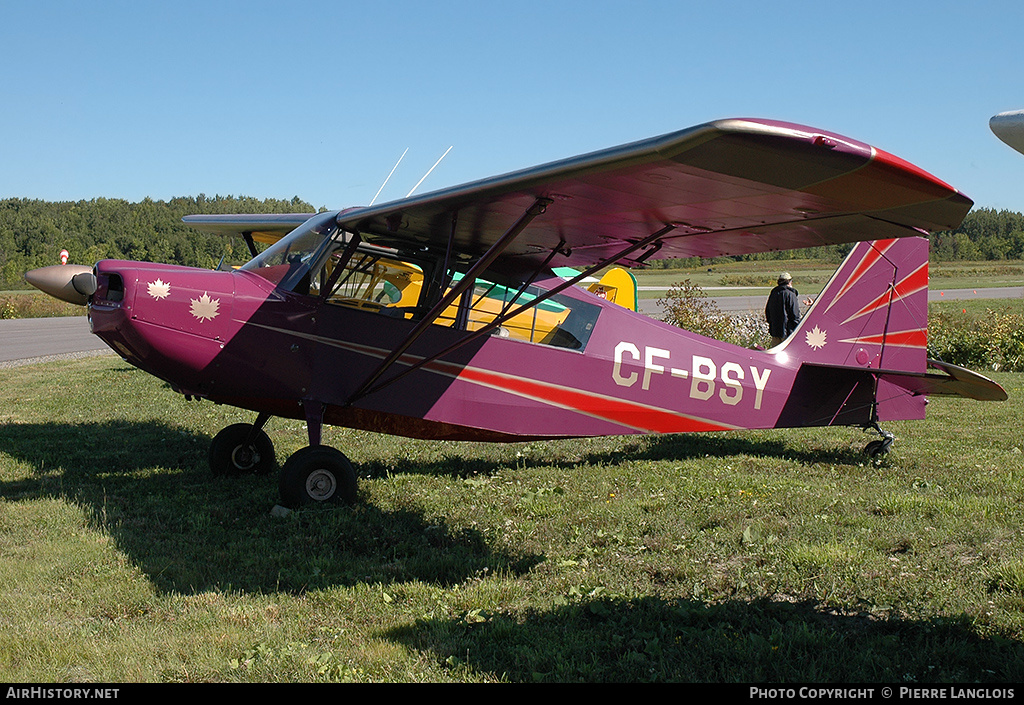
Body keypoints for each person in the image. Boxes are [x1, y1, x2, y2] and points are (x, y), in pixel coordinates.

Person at [765, 272, 801, 348]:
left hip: (775, 331)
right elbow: (795, 315)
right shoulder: (790, 294)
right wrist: (797, 329)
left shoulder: (774, 293)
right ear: (789, 282)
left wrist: (772, 325)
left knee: (775, 355)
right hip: (788, 332)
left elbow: (768, 312)